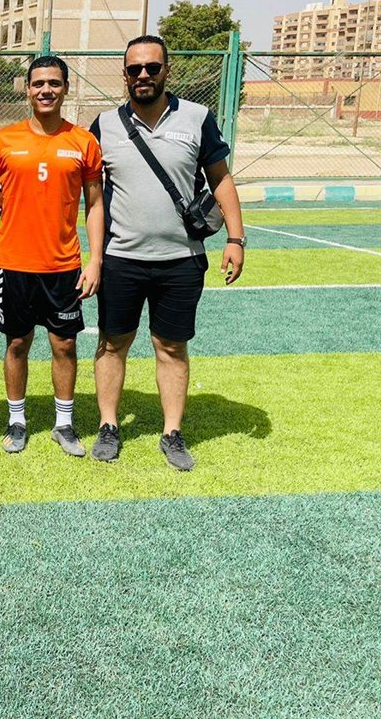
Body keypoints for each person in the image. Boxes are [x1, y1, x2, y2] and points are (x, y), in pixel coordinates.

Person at [90, 35, 246, 470]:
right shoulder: (104, 125)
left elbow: (221, 179)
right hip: (121, 259)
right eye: (135, 69)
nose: (143, 75)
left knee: (172, 347)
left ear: (166, 70)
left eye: (152, 68)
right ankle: (108, 425)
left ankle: (172, 432)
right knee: (112, 343)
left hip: (181, 259)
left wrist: (236, 239)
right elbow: (90, 195)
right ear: (125, 75)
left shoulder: (197, 118)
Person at [0, 56, 104, 458]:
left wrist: (95, 261)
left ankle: (63, 424)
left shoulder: (83, 142)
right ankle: (17, 421)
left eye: (53, 83)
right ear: (27, 90)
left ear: (65, 88)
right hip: (14, 263)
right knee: (17, 343)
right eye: (38, 84)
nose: (45, 90)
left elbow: (95, 204)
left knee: (64, 344)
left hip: (64, 265)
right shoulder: (5, 140)